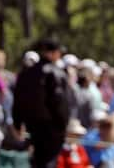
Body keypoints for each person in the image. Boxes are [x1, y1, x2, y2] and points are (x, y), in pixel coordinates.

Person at [13, 38, 71, 168]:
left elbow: (17, 101)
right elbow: (59, 102)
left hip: (32, 126)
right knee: (49, 161)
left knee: (37, 160)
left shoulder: (26, 73)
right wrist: (63, 125)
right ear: (53, 53)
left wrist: (17, 123)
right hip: (52, 128)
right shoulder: (56, 73)